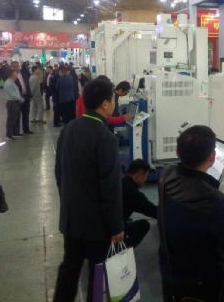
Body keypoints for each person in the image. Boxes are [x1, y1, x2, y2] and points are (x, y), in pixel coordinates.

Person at [159, 125, 224, 302]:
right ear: (212, 157)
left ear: (177, 151)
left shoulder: (166, 176)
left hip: (170, 272)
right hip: (204, 284)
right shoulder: (216, 202)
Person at [53, 78, 124, 302]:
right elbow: (110, 188)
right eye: (113, 99)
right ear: (105, 104)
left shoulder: (69, 128)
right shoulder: (105, 138)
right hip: (96, 223)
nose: (114, 104)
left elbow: (59, 173)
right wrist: (116, 226)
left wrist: (68, 202)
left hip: (71, 217)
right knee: (98, 270)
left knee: (70, 265)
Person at [122, 159, 157, 248]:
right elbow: (154, 211)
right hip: (113, 231)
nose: (145, 180)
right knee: (144, 225)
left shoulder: (121, 181)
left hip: (100, 226)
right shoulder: (133, 193)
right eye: (146, 176)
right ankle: (122, 250)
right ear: (139, 174)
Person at [11, 61, 33, 135]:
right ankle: (16, 132)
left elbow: (27, 85)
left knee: (26, 114)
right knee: (17, 115)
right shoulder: (11, 77)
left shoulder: (23, 74)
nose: (16, 68)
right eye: (14, 66)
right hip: (18, 98)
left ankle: (26, 129)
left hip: (26, 97)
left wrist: (30, 95)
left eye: (17, 66)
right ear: (12, 67)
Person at [4, 69, 23, 140]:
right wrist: (21, 99)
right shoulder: (8, 83)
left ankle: (16, 132)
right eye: (15, 74)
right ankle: (9, 135)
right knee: (11, 119)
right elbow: (12, 95)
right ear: (11, 74)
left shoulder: (13, 82)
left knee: (16, 117)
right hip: (12, 102)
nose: (17, 75)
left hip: (16, 102)